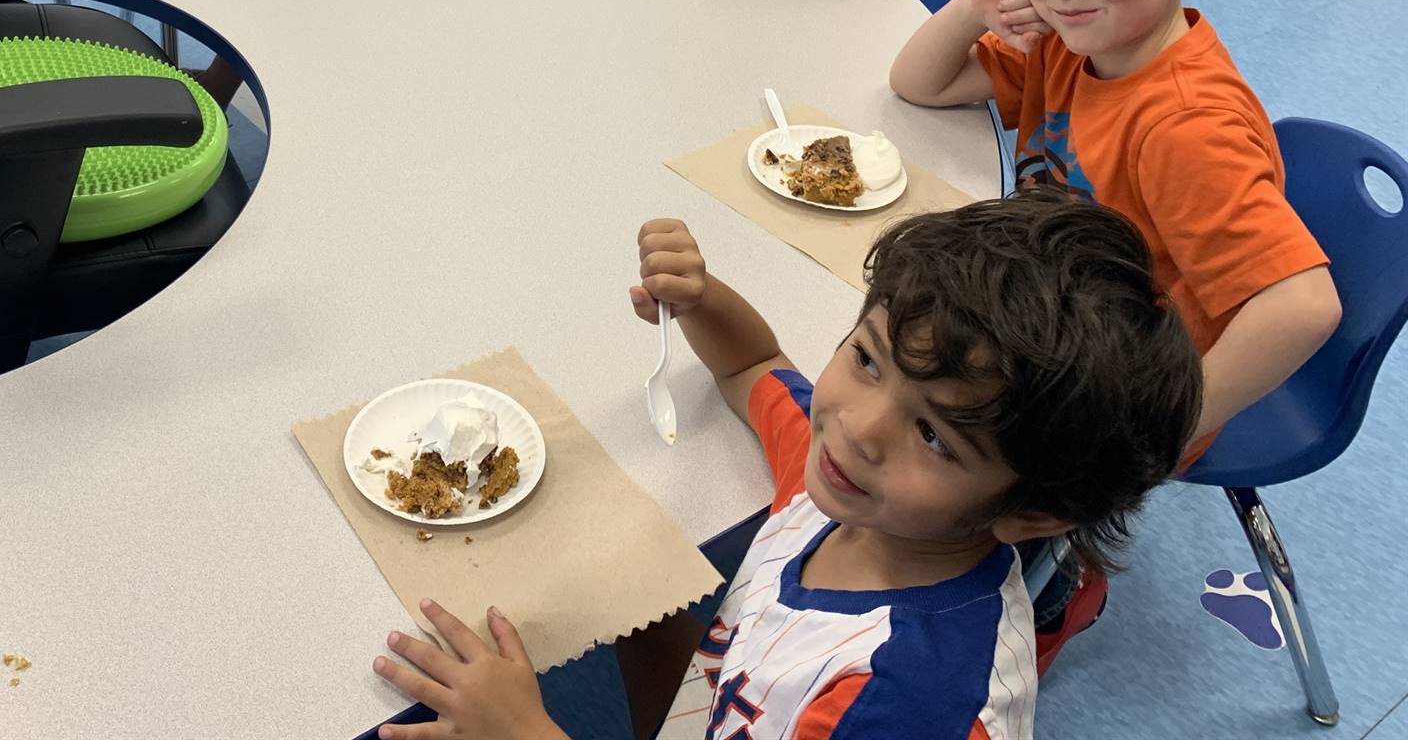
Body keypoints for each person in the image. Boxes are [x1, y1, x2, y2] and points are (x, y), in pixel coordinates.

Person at [369, 191, 1204, 740]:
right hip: (725, 699)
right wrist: (700, 299)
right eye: (869, 358)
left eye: (935, 437)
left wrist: (525, 732)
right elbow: (751, 367)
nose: (855, 426)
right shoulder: (848, 482)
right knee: (641, 584)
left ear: (1034, 514)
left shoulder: (910, 701)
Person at [889, 0, 1341, 498]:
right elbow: (920, 84)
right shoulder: (1074, 41)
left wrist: (1162, 429)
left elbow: (1305, 306)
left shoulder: (1183, 126)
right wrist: (976, 4)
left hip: (1120, 376)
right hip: (1053, 303)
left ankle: (1054, 574)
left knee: (922, 448)